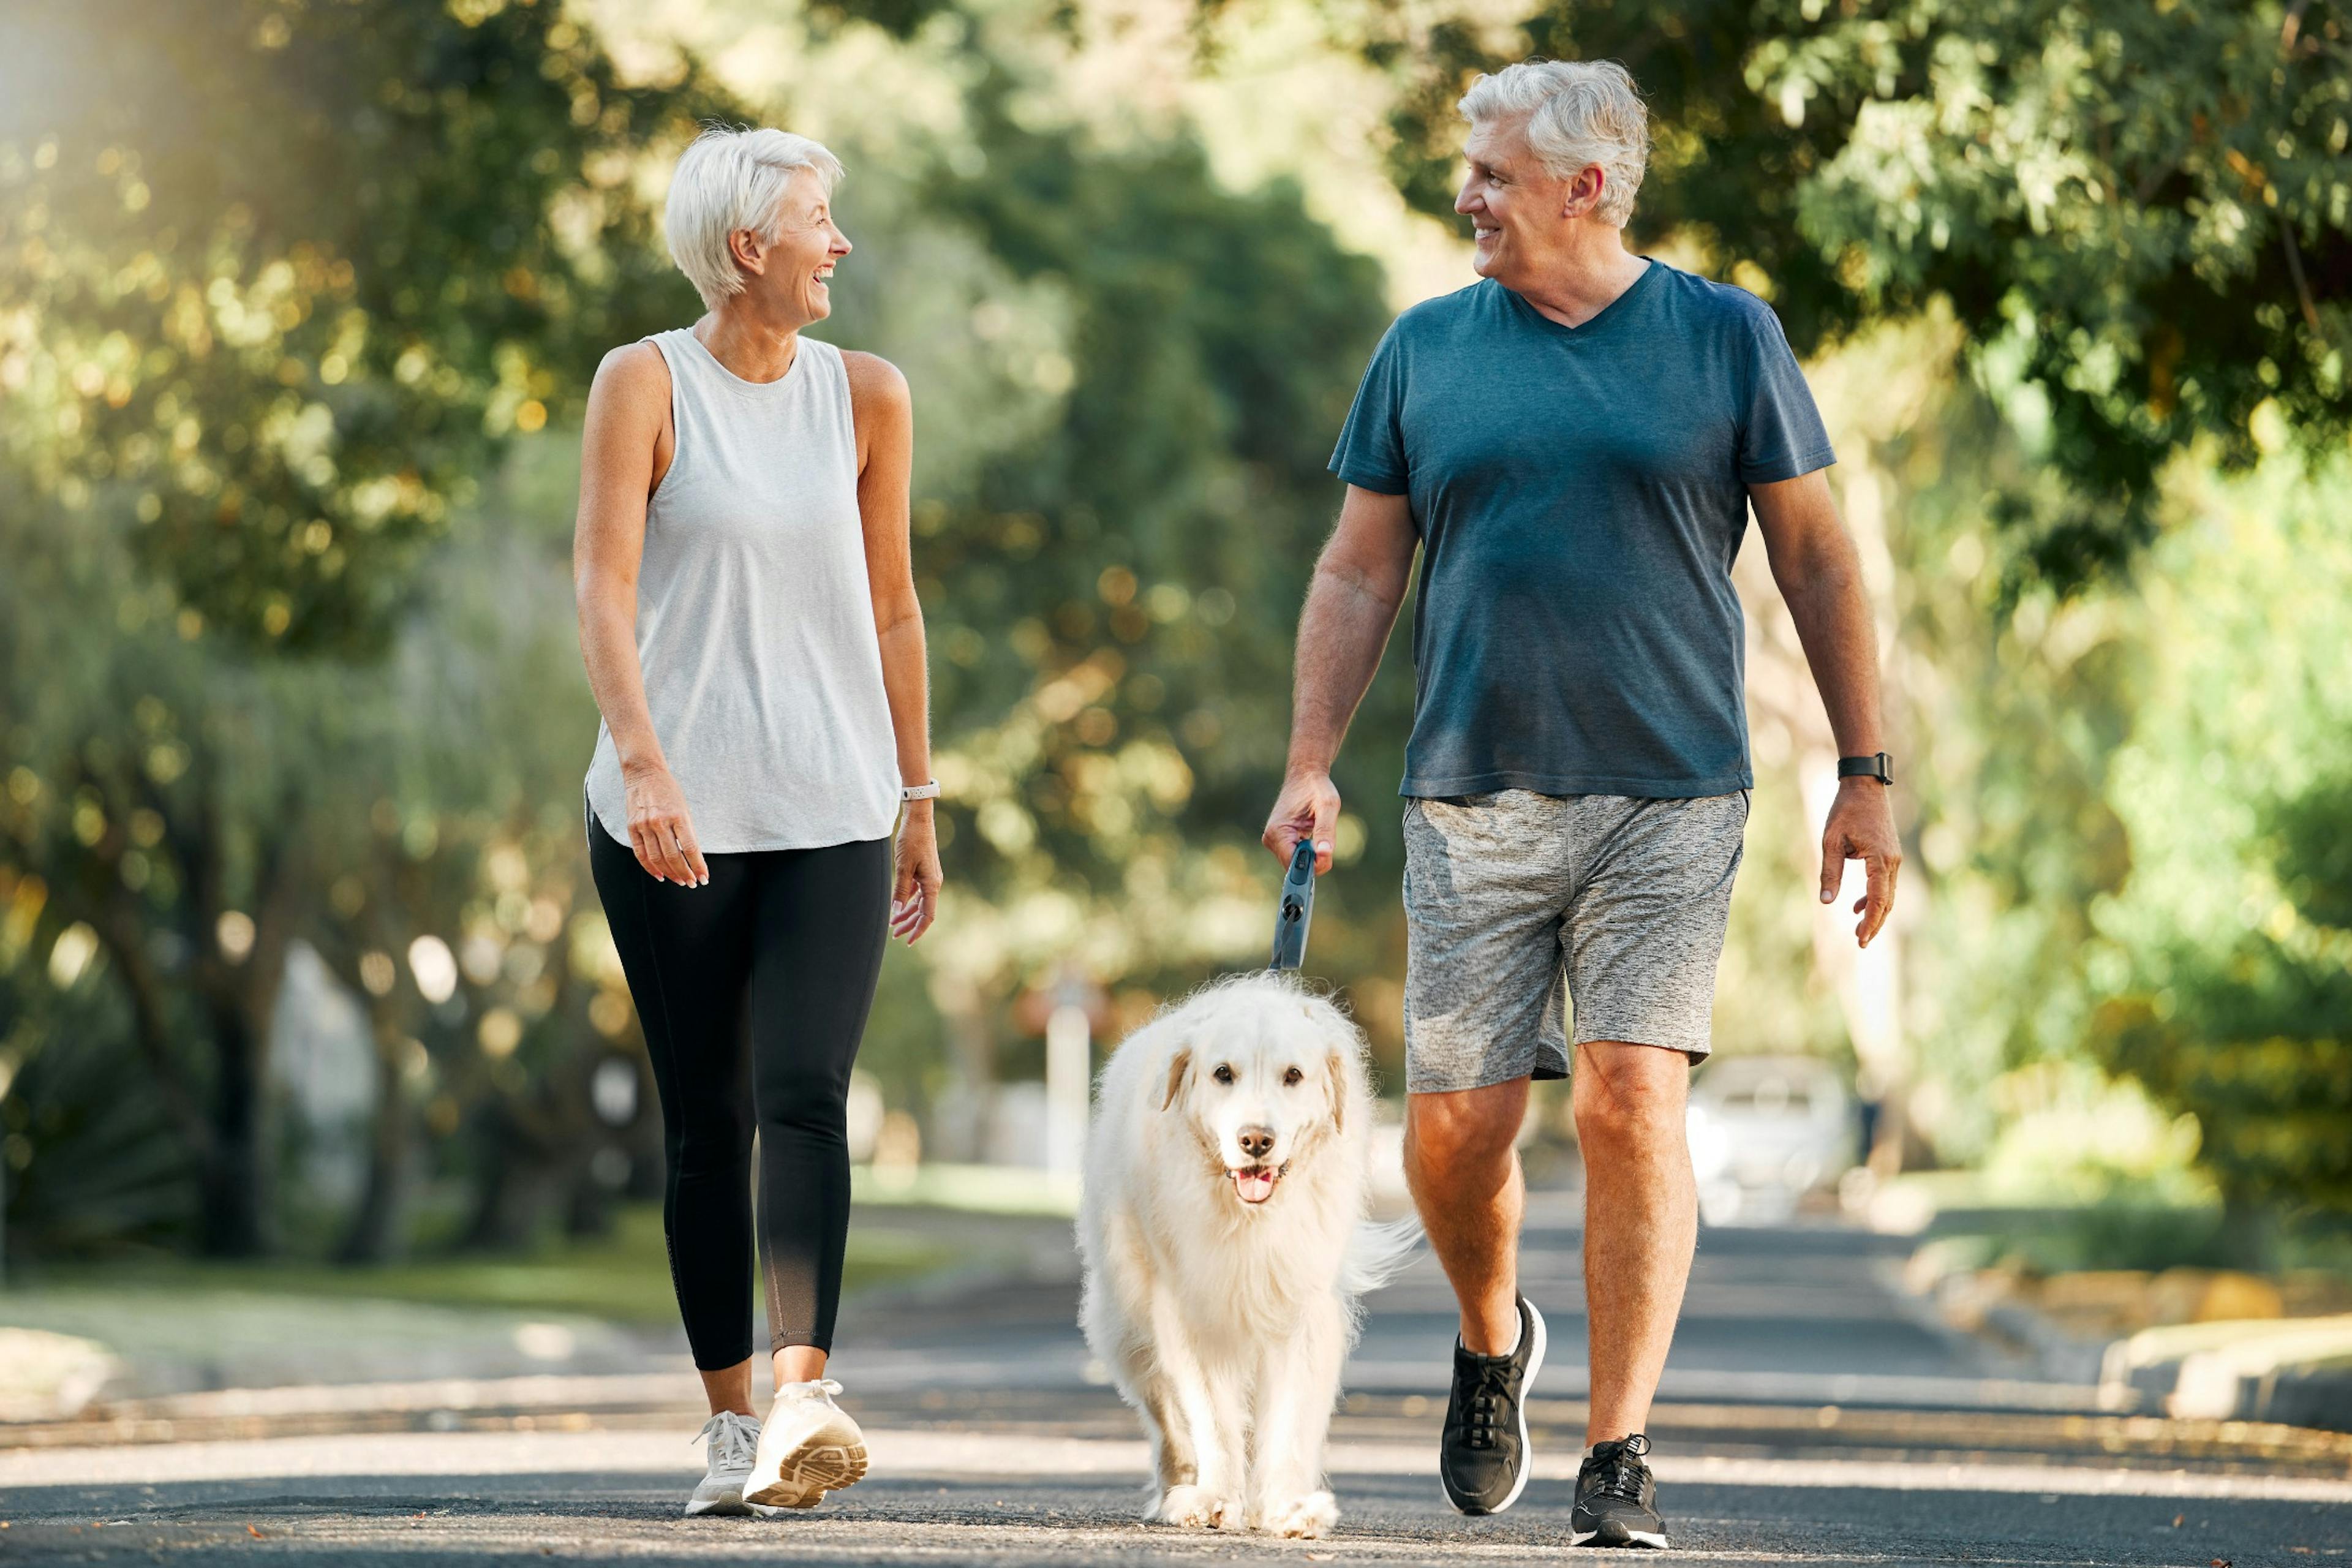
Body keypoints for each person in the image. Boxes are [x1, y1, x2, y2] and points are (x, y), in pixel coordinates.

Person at [1261, 59, 1900, 1549]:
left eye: (1490, 172)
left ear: (1585, 187)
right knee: (1454, 1133)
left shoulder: (1726, 336)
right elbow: (1359, 571)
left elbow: (1816, 558)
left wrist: (1864, 774)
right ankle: (1495, 1340)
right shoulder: (1425, 349)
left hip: (1671, 788)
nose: (1466, 194)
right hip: (1469, 787)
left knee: (1631, 1094)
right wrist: (1310, 758)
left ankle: (1620, 1448)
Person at [574, 124, 943, 1518]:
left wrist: (917, 793)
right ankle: (731, 1420)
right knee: (707, 1113)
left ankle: (802, 1397)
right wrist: (647, 764)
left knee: (806, 1095)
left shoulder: (868, 395)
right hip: (674, 812)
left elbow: (897, 603)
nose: (839, 243)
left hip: (834, 801)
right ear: (747, 248)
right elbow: (605, 589)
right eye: (817, 221)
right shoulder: (643, 382)